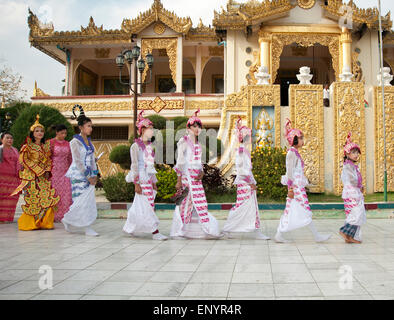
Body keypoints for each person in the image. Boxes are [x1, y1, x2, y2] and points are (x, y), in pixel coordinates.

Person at [274, 118, 331, 243]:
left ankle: (280, 233)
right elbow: (289, 172)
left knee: (292, 210)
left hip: (297, 186)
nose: (302, 140)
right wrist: (290, 189)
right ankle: (316, 236)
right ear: (294, 139)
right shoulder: (291, 153)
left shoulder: (295, 153)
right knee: (304, 210)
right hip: (295, 187)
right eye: (300, 138)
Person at [170, 109, 223, 239]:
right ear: (188, 128)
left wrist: (202, 173)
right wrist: (179, 180)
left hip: (197, 179)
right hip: (186, 177)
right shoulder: (183, 142)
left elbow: (199, 163)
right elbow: (180, 162)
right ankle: (180, 230)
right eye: (194, 126)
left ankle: (205, 229)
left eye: (199, 126)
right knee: (185, 203)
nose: (197, 128)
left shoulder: (198, 144)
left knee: (201, 203)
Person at [222, 116, 270, 240]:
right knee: (242, 207)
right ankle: (229, 228)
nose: (251, 139)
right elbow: (243, 170)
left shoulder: (244, 151)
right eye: (249, 136)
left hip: (246, 183)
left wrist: (251, 181)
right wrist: (250, 183)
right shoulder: (242, 151)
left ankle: (253, 230)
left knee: (247, 207)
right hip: (245, 184)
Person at [123, 111, 168, 240]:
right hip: (141, 178)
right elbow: (135, 165)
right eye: (150, 129)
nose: (152, 131)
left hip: (148, 178)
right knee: (147, 204)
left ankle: (130, 227)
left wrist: (154, 181)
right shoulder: (135, 146)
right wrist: (136, 183)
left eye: (152, 129)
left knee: (141, 204)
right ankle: (155, 231)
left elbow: (151, 165)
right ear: (142, 130)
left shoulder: (149, 146)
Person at [11, 115, 59, 231]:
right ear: (32, 133)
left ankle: (45, 223)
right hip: (31, 177)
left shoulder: (45, 147)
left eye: (41, 131)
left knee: (47, 198)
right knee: (33, 199)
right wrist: (38, 170)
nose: (40, 133)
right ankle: (30, 223)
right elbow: (24, 160)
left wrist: (47, 170)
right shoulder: (27, 146)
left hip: (43, 177)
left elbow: (48, 160)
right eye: (37, 131)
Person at [61, 105, 99, 236]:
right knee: (80, 200)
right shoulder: (74, 142)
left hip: (89, 174)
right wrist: (87, 175)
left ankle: (69, 219)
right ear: (81, 127)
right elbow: (77, 161)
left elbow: (92, 160)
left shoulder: (90, 142)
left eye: (91, 126)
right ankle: (86, 226)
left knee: (88, 200)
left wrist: (94, 174)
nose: (91, 128)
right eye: (88, 126)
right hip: (78, 174)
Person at [339, 132, 366, 244]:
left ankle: (350, 236)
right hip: (351, 193)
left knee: (357, 213)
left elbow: (356, 180)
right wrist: (359, 186)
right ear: (347, 154)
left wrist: (361, 186)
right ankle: (345, 231)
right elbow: (352, 180)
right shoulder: (347, 166)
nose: (356, 155)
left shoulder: (352, 166)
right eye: (353, 152)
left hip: (355, 192)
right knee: (356, 212)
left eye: (356, 152)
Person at [50, 124, 72, 222]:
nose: (64, 135)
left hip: (65, 171)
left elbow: (70, 158)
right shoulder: (51, 143)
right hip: (53, 171)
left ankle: (65, 215)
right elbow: (47, 157)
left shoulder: (68, 144)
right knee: (55, 193)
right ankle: (53, 216)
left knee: (66, 193)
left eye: (65, 133)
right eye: (62, 133)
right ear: (57, 132)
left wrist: (72, 170)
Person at [0, 132, 20, 223]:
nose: (9, 140)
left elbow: (19, 163)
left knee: (12, 198)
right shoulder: (0, 149)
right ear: (2, 139)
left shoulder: (15, 150)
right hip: (2, 178)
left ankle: (8, 217)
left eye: (11, 138)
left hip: (14, 178)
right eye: (7, 138)